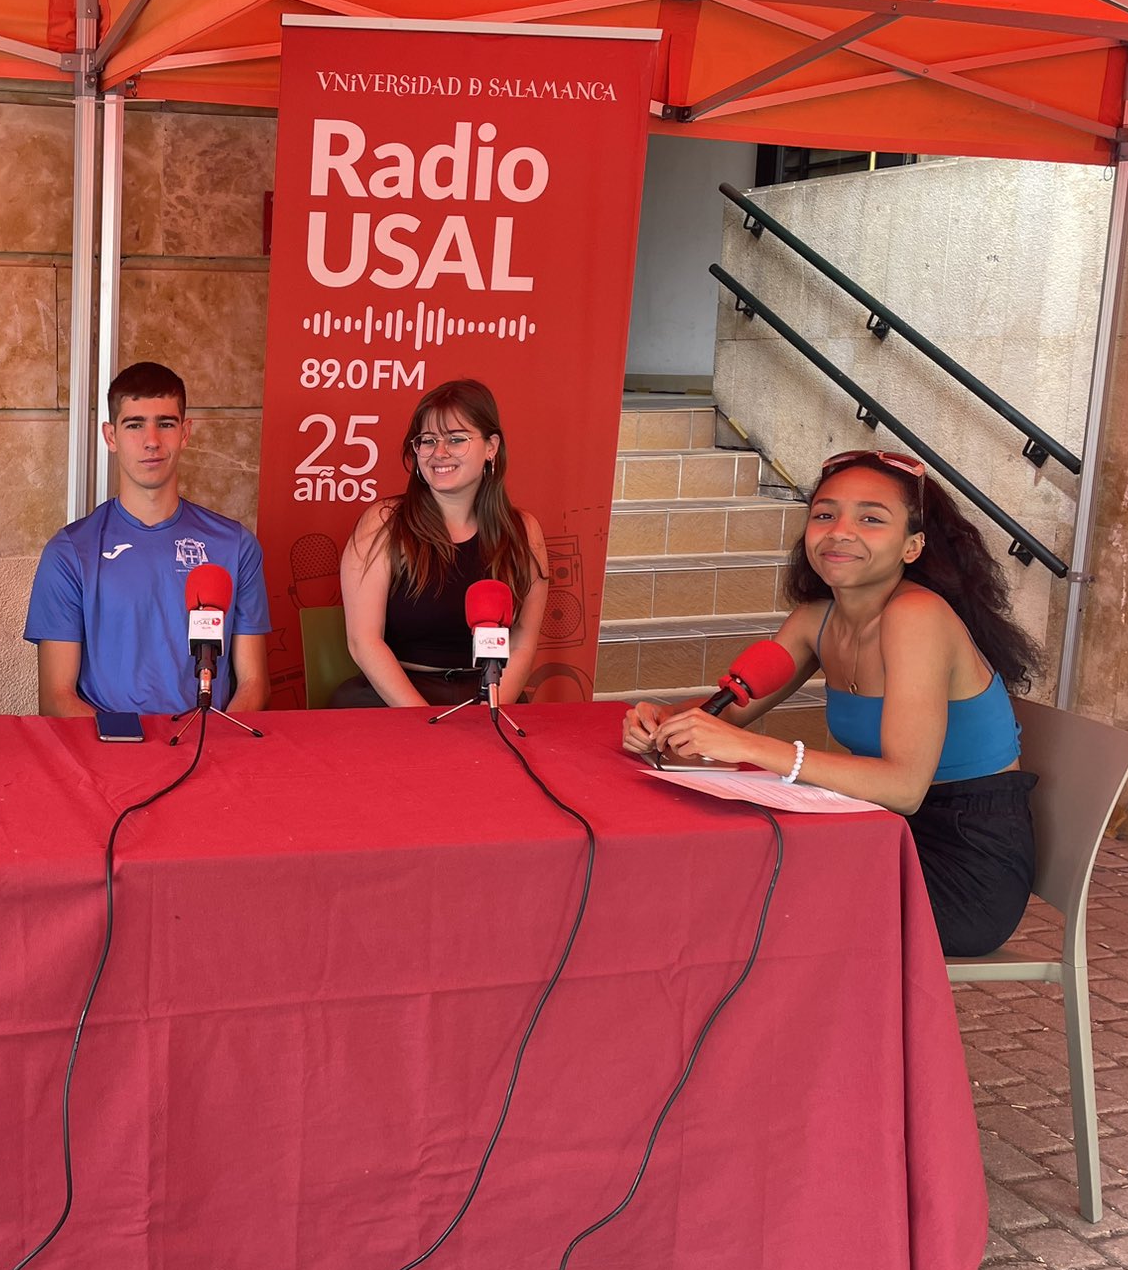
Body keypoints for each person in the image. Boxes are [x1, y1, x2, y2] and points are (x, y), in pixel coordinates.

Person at [621, 448, 1043, 957]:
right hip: (879, 829)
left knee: (755, 898)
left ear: (912, 546)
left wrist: (751, 748)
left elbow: (904, 788)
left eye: (871, 518)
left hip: (963, 863)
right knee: (725, 869)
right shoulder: (815, 620)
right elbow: (729, 711)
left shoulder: (918, 617)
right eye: (825, 515)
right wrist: (666, 721)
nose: (840, 532)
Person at [27, 361, 271, 717]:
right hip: (109, 744)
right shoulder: (70, 552)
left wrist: (214, 741)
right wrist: (125, 741)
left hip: (208, 742)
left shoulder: (235, 546)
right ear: (110, 436)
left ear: (185, 432)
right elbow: (55, 698)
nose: (152, 441)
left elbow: (254, 684)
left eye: (166, 424)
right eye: (135, 425)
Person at [335, 378, 549, 708]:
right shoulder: (384, 523)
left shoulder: (524, 531)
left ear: (491, 447)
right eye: (428, 441)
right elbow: (363, 641)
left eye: (456, 439)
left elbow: (522, 642)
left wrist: (490, 709)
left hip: (490, 696)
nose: (439, 453)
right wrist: (424, 721)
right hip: (394, 699)